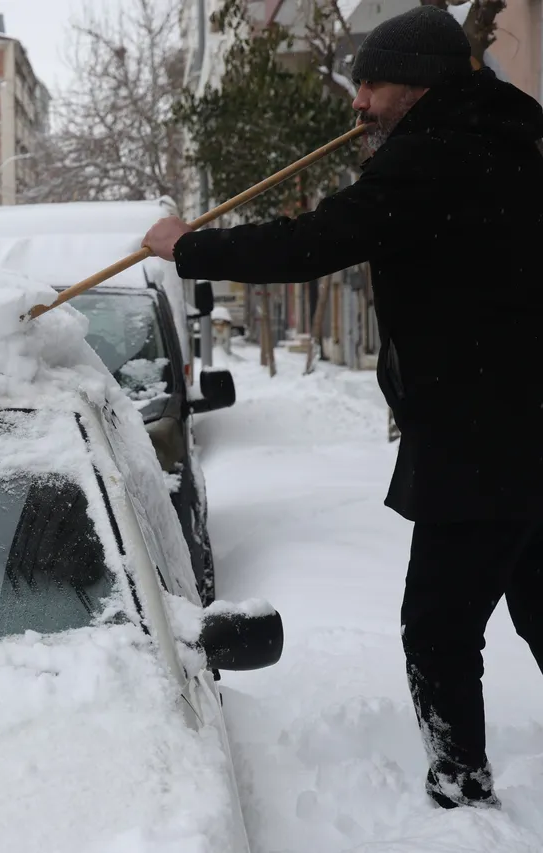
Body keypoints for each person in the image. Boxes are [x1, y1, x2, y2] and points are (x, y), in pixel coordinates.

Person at [142, 5, 543, 810]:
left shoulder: (428, 162)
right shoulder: (520, 142)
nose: (355, 101)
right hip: (526, 423)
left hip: (479, 439)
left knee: (438, 626)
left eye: (372, 84)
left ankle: (459, 780)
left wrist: (187, 247)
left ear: (419, 86)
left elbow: (308, 245)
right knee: (537, 593)